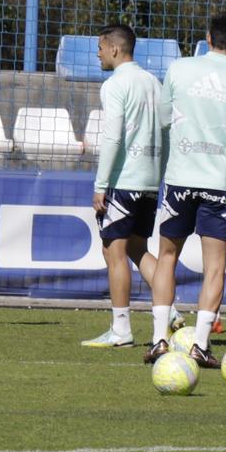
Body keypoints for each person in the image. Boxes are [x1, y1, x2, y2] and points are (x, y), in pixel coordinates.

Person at [147, 11, 226, 367]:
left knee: (167, 255)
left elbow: (164, 121)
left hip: (180, 179)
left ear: (208, 38)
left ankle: (158, 341)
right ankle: (200, 344)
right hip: (221, 184)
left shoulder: (179, 69)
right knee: (215, 266)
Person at [82, 24, 163, 347]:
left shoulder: (116, 84)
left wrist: (101, 184)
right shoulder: (153, 82)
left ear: (115, 49)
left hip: (124, 180)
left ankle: (121, 329)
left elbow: (113, 135)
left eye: (100, 47)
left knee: (113, 249)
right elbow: (166, 130)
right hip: (150, 179)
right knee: (137, 247)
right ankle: (167, 311)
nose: (98, 53)